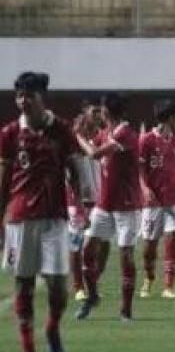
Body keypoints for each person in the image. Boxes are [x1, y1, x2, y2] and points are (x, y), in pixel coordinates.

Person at [0, 72, 81, 352]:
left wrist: (81, 198)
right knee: (24, 286)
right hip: (20, 220)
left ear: (40, 98)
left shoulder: (60, 129)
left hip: (54, 218)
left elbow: (74, 166)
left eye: (28, 96)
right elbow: (4, 179)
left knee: (59, 286)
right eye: (18, 96)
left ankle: (52, 328)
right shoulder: (9, 134)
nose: (22, 101)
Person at [75, 93, 141, 322]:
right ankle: (93, 296)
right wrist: (80, 136)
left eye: (102, 110)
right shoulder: (106, 133)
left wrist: (76, 136)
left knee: (126, 254)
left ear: (108, 112)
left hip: (127, 206)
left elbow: (93, 153)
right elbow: (86, 148)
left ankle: (126, 310)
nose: (100, 114)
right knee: (87, 250)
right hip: (104, 204)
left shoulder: (125, 134)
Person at [138, 99, 175, 300]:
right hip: (153, 201)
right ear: (170, 117)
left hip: (174, 200)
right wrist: (144, 188)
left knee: (172, 240)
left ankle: (169, 286)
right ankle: (148, 278)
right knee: (150, 245)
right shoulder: (146, 140)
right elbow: (140, 168)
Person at [68, 100, 104, 302]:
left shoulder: (98, 140)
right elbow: (70, 175)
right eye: (94, 115)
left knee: (94, 245)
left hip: (97, 200)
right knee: (76, 244)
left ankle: (92, 283)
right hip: (77, 202)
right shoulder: (75, 142)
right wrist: (79, 202)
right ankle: (78, 286)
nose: (98, 119)